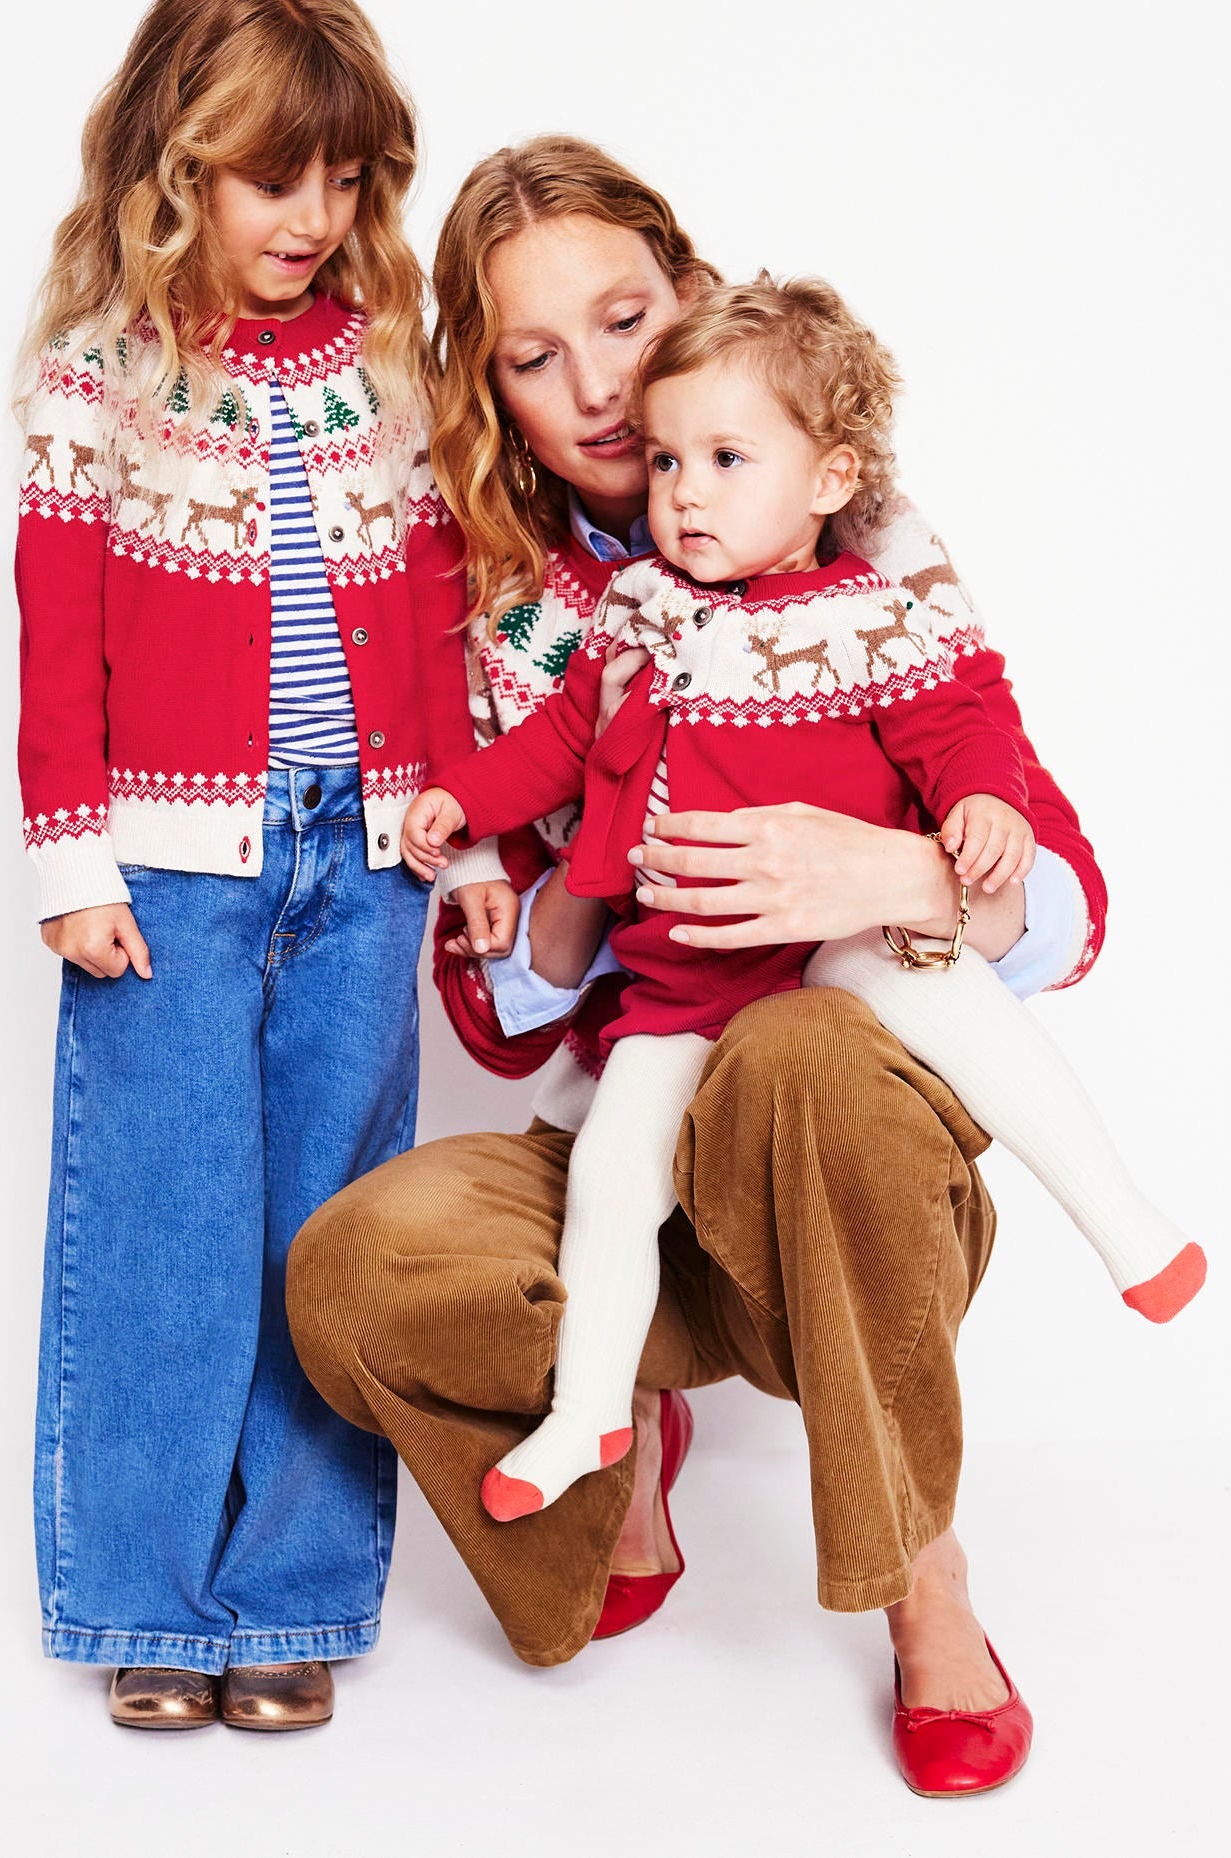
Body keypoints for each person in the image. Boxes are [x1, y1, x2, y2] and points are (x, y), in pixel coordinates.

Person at [286, 137, 1110, 1796]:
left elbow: (1071, 906)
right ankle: (613, 1457)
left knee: (803, 1054)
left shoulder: (855, 541)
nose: (598, 389)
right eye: (535, 357)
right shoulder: (500, 613)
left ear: (691, 292)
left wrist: (889, 870)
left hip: (842, 1154)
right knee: (355, 1272)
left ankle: (923, 1573)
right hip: (632, 1124)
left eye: (623, 319)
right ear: (491, 391)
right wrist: (557, 884)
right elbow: (500, 1022)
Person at [402, 271, 1202, 1524]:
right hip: (683, 982)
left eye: (727, 461)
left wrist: (981, 806)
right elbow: (559, 741)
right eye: (669, 462)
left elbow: (962, 725)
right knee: (613, 1168)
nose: (686, 493)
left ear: (831, 479)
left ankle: (1127, 1222)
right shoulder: (640, 612)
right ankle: (590, 1409)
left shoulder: (871, 616)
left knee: (935, 986)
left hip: (828, 953)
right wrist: (464, 800)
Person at [14, 0, 469, 1733]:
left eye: (344, 182)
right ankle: (148, 1594)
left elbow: (436, 607)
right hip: (169, 864)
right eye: (277, 179)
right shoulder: (101, 374)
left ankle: (290, 1593)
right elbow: (57, 628)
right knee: (164, 1225)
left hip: (367, 851)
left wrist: (460, 825)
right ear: (180, 167)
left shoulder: (389, 364)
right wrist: (72, 855)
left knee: (324, 1232)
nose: (314, 218)